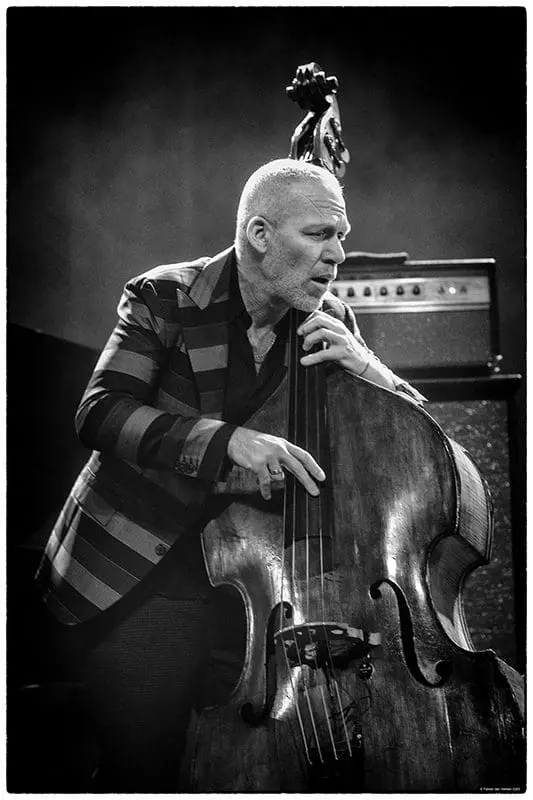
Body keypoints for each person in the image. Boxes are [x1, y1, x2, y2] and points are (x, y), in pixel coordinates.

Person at [36, 158, 424, 791]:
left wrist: (372, 370)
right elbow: (100, 412)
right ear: (260, 235)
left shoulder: (332, 324)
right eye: (320, 235)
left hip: (264, 582)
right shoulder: (166, 297)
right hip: (147, 568)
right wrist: (230, 443)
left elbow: (416, 444)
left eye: (342, 235)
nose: (338, 255)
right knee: (146, 767)